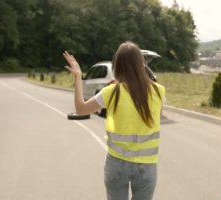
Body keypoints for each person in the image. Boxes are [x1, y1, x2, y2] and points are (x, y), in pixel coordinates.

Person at [63, 41, 165, 200]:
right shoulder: (158, 92)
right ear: (141, 64)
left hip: (117, 165)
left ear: (117, 64)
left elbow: (80, 109)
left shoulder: (111, 92)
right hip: (147, 166)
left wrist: (78, 77)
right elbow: (155, 118)